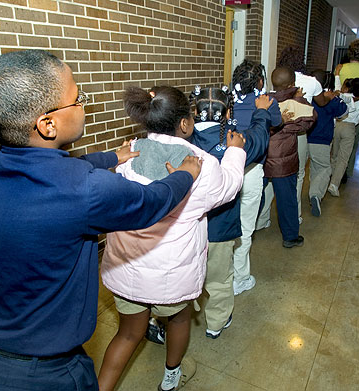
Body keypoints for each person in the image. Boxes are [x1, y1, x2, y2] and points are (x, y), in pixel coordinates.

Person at [0, 50, 202, 391]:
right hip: (41, 376)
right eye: (77, 99)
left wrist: (110, 157)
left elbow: (64, 169)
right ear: (48, 124)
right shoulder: (84, 190)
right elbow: (151, 203)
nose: (84, 105)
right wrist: (187, 175)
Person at [98, 86, 247, 391]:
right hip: (171, 269)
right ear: (185, 123)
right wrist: (236, 151)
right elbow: (228, 188)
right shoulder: (199, 163)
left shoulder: (128, 152)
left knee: (127, 334)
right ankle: (171, 377)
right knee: (178, 320)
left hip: (127, 264)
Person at [189, 86, 272, 338]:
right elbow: (259, 138)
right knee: (220, 279)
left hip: (186, 230)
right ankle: (216, 323)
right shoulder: (234, 143)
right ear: (228, 114)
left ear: (194, 111)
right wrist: (261, 113)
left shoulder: (181, 141)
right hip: (220, 229)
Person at [230, 59, 281, 296]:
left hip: (225, 169)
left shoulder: (225, 99)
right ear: (260, 81)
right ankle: (239, 278)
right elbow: (278, 122)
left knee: (222, 223)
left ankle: (220, 273)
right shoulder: (266, 103)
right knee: (245, 227)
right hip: (250, 170)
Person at [256, 66, 316, 241]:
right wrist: (300, 98)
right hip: (284, 161)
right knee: (286, 199)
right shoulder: (295, 103)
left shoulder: (262, 101)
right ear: (292, 84)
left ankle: (249, 228)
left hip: (263, 157)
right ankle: (290, 237)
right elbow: (309, 120)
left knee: (255, 197)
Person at [277, 46, 332, 222]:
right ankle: (296, 215)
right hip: (299, 132)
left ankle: (263, 219)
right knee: (299, 174)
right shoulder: (312, 82)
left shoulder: (277, 76)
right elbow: (321, 102)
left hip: (278, 130)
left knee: (274, 173)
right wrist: (330, 96)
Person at [328, 64, 359, 197]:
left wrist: (337, 73)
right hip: (349, 129)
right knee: (343, 159)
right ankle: (334, 184)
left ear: (346, 87)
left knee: (334, 156)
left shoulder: (339, 95)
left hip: (337, 126)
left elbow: (337, 86)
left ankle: (328, 179)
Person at [308, 70, 348, 212]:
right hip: (321, 140)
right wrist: (335, 97)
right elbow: (344, 112)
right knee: (325, 168)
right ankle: (315, 195)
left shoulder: (306, 94)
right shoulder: (329, 98)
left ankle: (311, 194)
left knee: (312, 169)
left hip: (303, 138)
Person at [338, 39, 359, 181]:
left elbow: (338, 88)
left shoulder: (340, 68)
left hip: (341, 107)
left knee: (339, 140)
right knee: (354, 140)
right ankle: (346, 170)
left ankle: (336, 169)